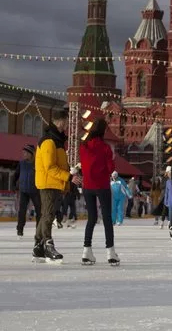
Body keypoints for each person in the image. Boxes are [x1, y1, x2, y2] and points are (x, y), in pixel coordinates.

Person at [79, 118, 120, 266]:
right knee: (107, 218)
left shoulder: (83, 146)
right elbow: (110, 169)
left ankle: (86, 250)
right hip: (102, 186)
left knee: (91, 218)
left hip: (87, 186)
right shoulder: (105, 148)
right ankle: (110, 252)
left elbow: (83, 166)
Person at [33, 110, 72, 263]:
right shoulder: (49, 141)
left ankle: (38, 246)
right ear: (60, 121)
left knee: (46, 215)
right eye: (66, 121)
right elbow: (50, 167)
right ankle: (48, 245)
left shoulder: (57, 140)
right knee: (48, 215)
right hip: (48, 182)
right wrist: (68, 176)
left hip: (53, 183)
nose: (68, 124)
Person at [13, 144, 40, 239]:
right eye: (23, 152)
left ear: (31, 154)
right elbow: (16, 175)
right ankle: (20, 230)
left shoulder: (37, 163)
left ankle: (39, 231)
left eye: (26, 153)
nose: (23, 154)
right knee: (22, 211)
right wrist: (14, 186)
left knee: (39, 211)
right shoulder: (21, 163)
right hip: (23, 190)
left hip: (35, 190)